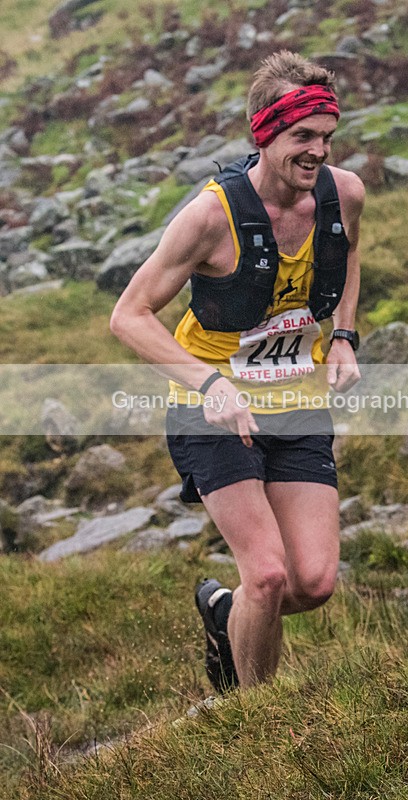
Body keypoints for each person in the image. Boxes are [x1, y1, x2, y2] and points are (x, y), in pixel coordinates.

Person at [110, 50, 365, 691]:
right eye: (302, 136)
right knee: (269, 575)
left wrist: (343, 337)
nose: (317, 151)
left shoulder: (343, 194)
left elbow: (348, 254)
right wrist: (211, 383)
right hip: (214, 407)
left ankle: (224, 611)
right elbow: (130, 316)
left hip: (297, 402)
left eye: (327, 137)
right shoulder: (210, 217)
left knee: (313, 583)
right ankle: (252, 719)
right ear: (265, 133)